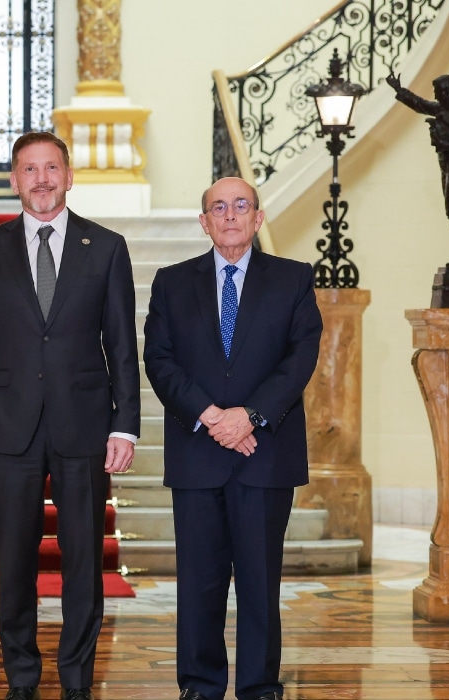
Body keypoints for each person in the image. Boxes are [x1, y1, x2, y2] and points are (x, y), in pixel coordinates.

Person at [0, 131, 141, 700]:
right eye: (29, 169)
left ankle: (78, 681)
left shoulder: (106, 247)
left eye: (51, 167)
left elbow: (122, 346)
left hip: (84, 427)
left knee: (84, 562)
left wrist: (124, 423)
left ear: (69, 174)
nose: (41, 179)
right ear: (14, 180)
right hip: (8, 428)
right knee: (14, 564)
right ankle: (23, 680)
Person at [142, 177, 322, 700]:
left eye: (240, 205)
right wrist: (212, 415)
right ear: (204, 222)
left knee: (260, 584)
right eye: (218, 207)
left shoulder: (292, 279)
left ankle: (260, 688)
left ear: (258, 217)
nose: (229, 215)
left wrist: (251, 416)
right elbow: (160, 360)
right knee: (199, 585)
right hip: (198, 452)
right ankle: (199, 686)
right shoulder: (172, 283)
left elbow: (300, 359)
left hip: (265, 455)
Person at [387, 72, 449, 266]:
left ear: (448, 92)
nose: (436, 97)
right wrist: (399, 90)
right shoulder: (444, 109)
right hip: (447, 166)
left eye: (438, 93)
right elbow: (421, 105)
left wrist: (442, 142)